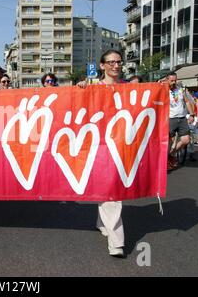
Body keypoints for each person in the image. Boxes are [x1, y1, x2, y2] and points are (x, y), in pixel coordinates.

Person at [76, 50, 126, 258]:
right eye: (111, 62)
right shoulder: (93, 87)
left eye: (119, 62)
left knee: (111, 189)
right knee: (112, 191)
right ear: (102, 65)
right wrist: (81, 89)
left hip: (122, 143)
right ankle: (117, 242)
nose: (116, 65)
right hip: (99, 144)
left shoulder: (128, 88)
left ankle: (101, 221)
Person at [167, 72, 195, 170]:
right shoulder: (163, 90)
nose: (174, 82)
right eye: (171, 80)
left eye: (175, 80)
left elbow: (187, 102)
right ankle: (165, 160)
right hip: (170, 118)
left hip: (182, 118)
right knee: (169, 141)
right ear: (167, 80)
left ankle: (171, 154)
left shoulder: (180, 89)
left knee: (186, 140)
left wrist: (192, 114)